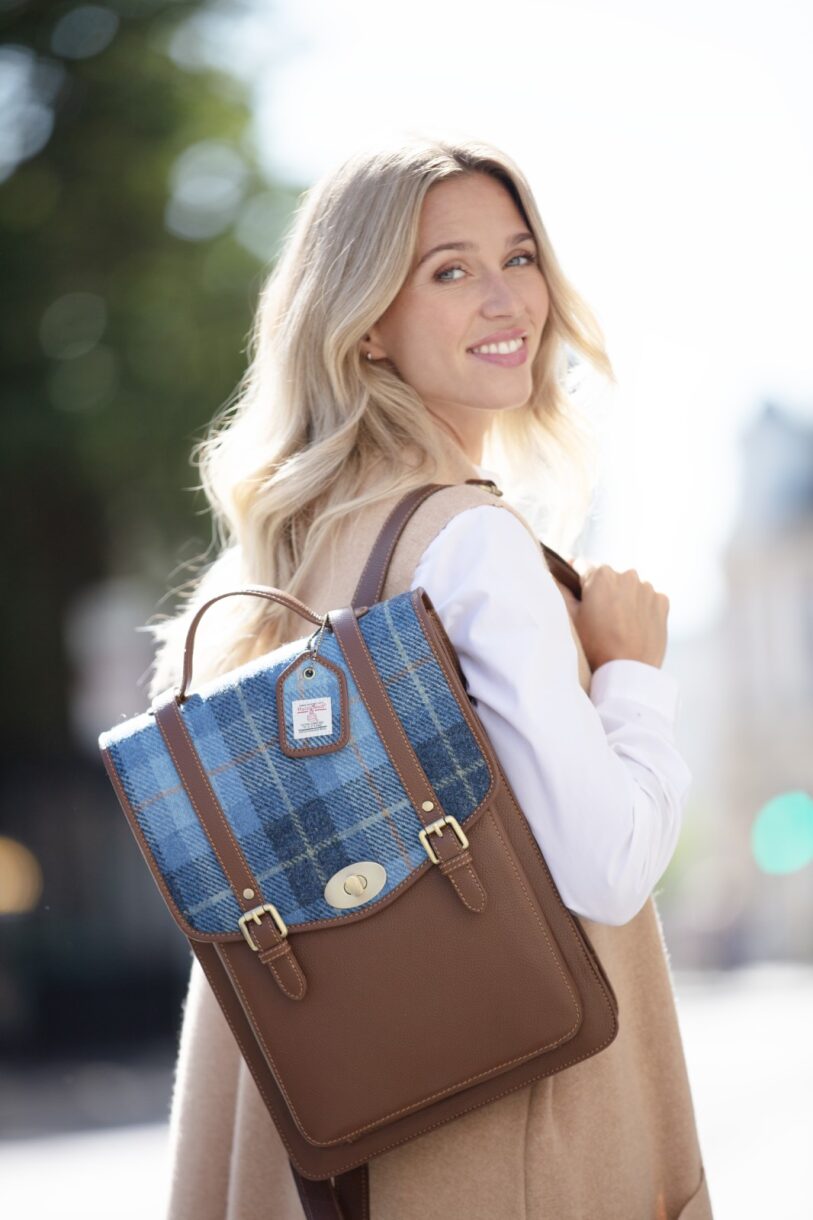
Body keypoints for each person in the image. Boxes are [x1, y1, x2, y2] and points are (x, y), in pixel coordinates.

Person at [148, 137, 713, 1219]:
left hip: (335, 1141)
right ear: (365, 320)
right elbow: (604, 867)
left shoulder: (291, 558)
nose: (508, 299)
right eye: (450, 269)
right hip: (502, 1140)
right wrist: (633, 674)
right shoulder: (472, 544)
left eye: (520, 256)